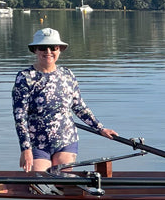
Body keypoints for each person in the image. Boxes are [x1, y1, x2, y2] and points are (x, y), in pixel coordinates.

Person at [12, 28, 117, 172]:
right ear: (35, 50)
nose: (48, 51)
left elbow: (79, 106)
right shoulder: (25, 77)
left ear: (59, 49)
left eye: (53, 47)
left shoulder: (67, 75)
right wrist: (26, 149)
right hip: (36, 142)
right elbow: (20, 117)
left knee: (63, 182)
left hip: (66, 139)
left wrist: (99, 128)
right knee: (40, 183)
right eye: (43, 47)